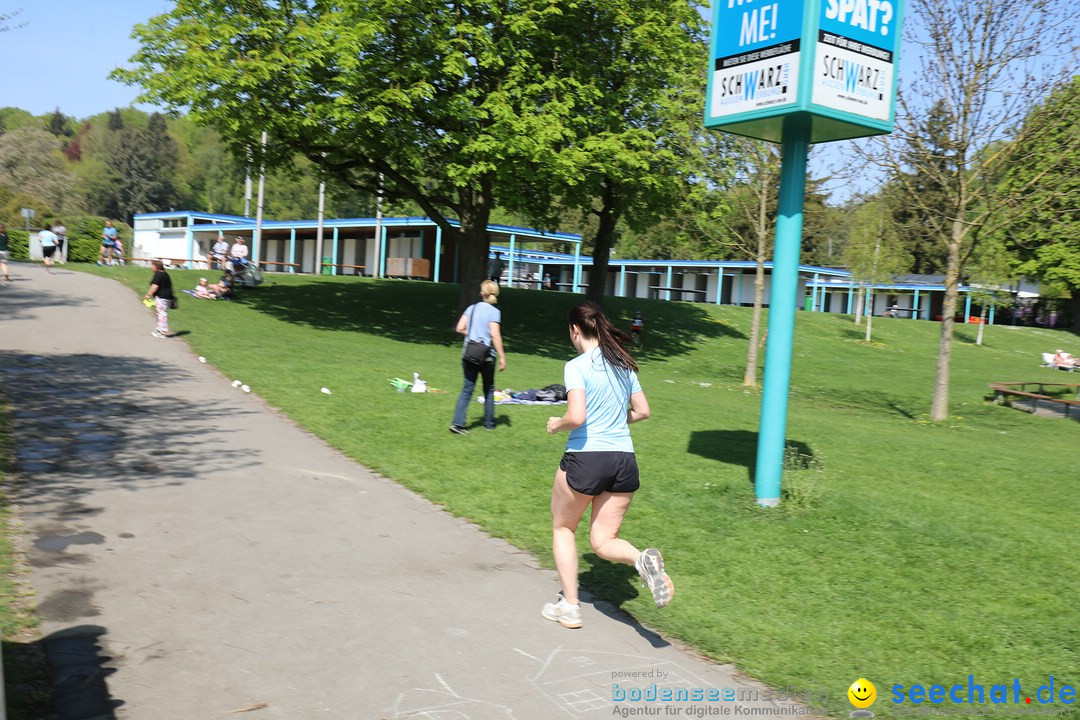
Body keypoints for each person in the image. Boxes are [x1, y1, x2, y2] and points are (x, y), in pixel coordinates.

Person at [541, 301, 672, 629]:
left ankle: (570, 606)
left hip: (587, 458)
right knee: (602, 541)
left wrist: (557, 424)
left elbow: (577, 417)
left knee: (563, 527)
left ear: (575, 330)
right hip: (623, 461)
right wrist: (615, 418)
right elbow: (642, 411)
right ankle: (641, 559)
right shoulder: (624, 364)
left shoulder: (576, 365)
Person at [450, 280, 506, 435]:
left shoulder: (471, 308)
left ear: (482, 293)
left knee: (467, 388)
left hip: (469, 353)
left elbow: (460, 328)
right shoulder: (494, 312)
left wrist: (472, 334)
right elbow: (495, 335)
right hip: (486, 356)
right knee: (488, 389)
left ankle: (457, 423)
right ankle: (489, 424)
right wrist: (502, 356)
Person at [144, 259, 175, 338]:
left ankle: (162, 331)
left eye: (152, 265)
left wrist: (148, 294)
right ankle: (159, 330)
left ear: (156, 266)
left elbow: (155, 286)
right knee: (161, 313)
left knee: (162, 314)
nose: (151, 267)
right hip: (167, 297)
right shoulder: (165, 274)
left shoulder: (158, 274)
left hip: (162, 297)